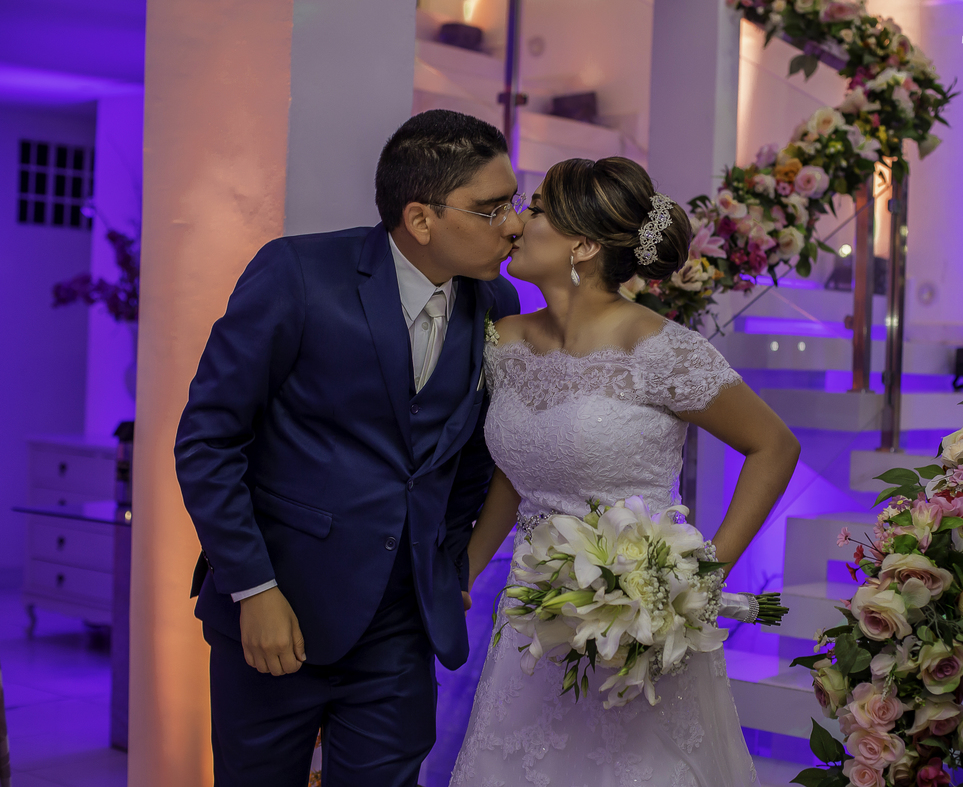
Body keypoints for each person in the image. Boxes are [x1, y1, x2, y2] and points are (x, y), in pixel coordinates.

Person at [175, 109, 522, 787]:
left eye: (514, 202)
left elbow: (473, 456)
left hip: (401, 627)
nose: (512, 224)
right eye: (491, 209)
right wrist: (254, 587)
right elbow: (209, 438)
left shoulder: (496, 304)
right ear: (421, 219)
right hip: (280, 607)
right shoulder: (299, 273)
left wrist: (451, 564)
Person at [449, 157, 801, 786]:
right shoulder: (504, 341)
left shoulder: (663, 349)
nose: (517, 223)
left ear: (583, 246)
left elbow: (774, 446)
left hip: (645, 626)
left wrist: (698, 581)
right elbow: (515, 474)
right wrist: (465, 572)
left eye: (536, 210)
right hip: (534, 620)